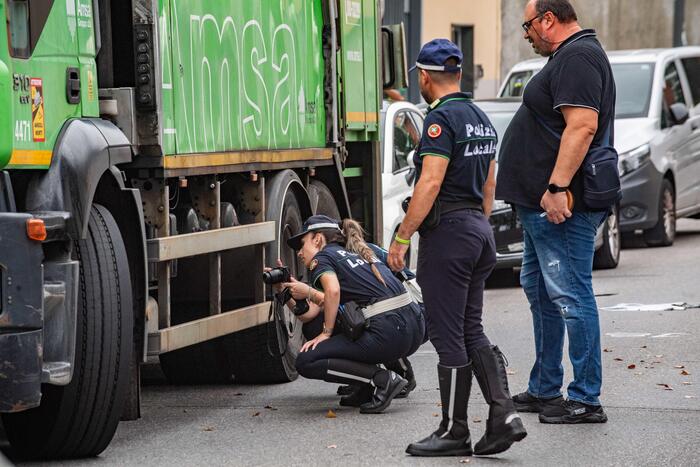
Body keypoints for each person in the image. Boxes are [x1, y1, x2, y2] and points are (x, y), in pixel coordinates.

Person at [387, 39, 526, 457]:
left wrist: (401, 236)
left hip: (448, 236)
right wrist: (477, 226)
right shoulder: (481, 118)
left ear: (425, 77)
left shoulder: (440, 121)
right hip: (479, 232)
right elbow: (488, 184)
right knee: (471, 329)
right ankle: (504, 416)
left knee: (449, 335)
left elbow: (429, 183)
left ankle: (453, 430)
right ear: (460, 74)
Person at [496, 0, 616, 424]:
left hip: (561, 206)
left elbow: (582, 126)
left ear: (548, 19)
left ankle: (585, 398)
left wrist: (557, 187)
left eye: (528, 25)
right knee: (542, 290)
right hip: (540, 206)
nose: (525, 34)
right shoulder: (571, 56)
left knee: (570, 295)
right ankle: (546, 387)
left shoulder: (579, 56)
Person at [280, 215, 425, 414]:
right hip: (416, 326)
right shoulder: (363, 250)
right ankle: (375, 383)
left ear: (317, 239)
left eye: (301, 244)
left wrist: (326, 332)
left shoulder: (322, 258)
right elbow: (310, 313)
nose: (298, 253)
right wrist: (287, 289)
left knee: (307, 361)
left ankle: (383, 380)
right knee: (315, 325)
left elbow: (332, 292)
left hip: (389, 333)